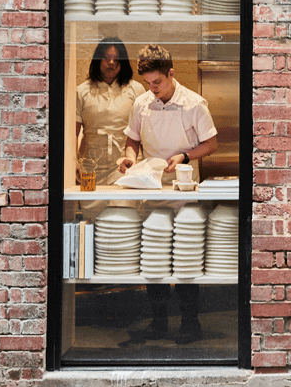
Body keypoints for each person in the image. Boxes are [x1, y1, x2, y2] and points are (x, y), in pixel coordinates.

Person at [117, 44, 218, 345]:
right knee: (155, 259)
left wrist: (184, 157)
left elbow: (211, 144)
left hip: (186, 191)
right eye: (148, 83)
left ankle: (191, 323)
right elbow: (131, 141)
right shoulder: (142, 104)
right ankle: (158, 322)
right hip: (152, 189)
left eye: (157, 82)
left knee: (186, 260)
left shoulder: (195, 104)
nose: (153, 89)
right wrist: (129, 159)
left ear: (171, 74)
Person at [75, 37, 145, 187]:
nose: (111, 63)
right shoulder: (82, 91)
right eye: (106, 58)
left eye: (116, 59)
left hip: (125, 164)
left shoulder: (136, 90)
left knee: (125, 209)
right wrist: (73, 162)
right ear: (98, 60)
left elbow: (144, 132)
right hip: (90, 166)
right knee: (92, 208)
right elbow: (73, 133)